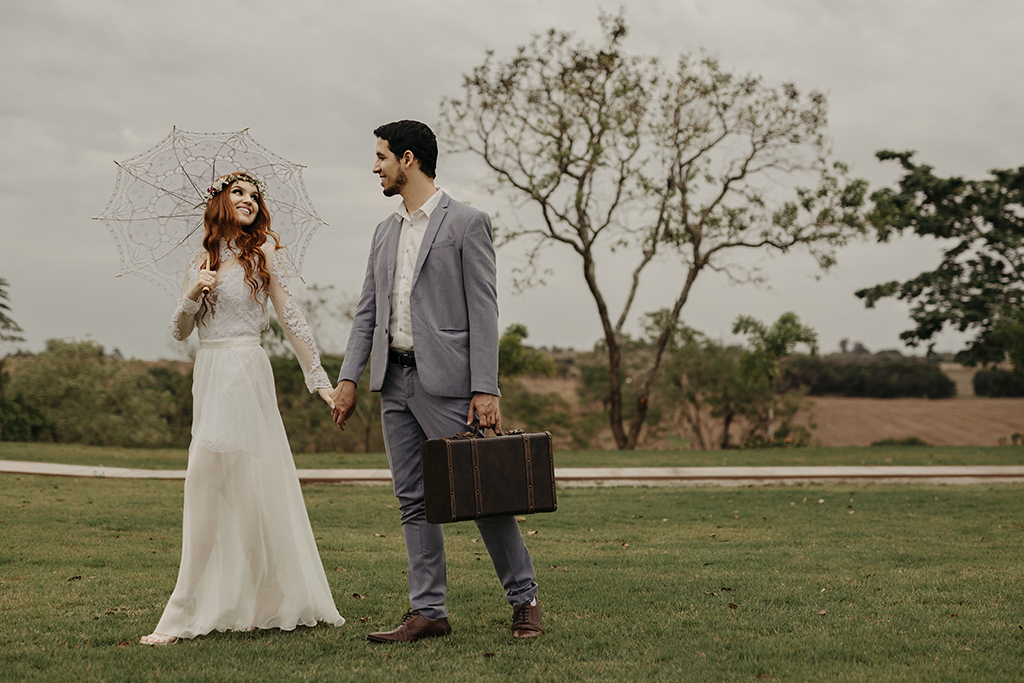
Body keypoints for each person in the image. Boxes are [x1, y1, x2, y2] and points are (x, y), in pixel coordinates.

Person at [331, 120, 542, 642]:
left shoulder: (468, 223)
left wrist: (485, 386)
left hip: (448, 383)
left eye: (380, 157)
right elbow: (366, 313)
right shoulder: (384, 231)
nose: (374, 167)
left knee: (481, 494)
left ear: (407, 159)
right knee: (413, 500)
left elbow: (484, 310)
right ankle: (428, 612)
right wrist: (349, 379)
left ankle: (525, 600)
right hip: (393, 384)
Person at [140, 172, 345, 645]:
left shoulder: (264, 252)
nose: (250, 200)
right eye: (239, 193)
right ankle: (269, 596)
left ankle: (178, 614)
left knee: (208, 485)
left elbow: (291, 318)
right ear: (218, 203)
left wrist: (320, 382)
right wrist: (194, 292)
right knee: (237, 494)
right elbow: (179, 332)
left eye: (255, 196)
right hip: (209, 375)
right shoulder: (200, 260)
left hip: (244, 370)